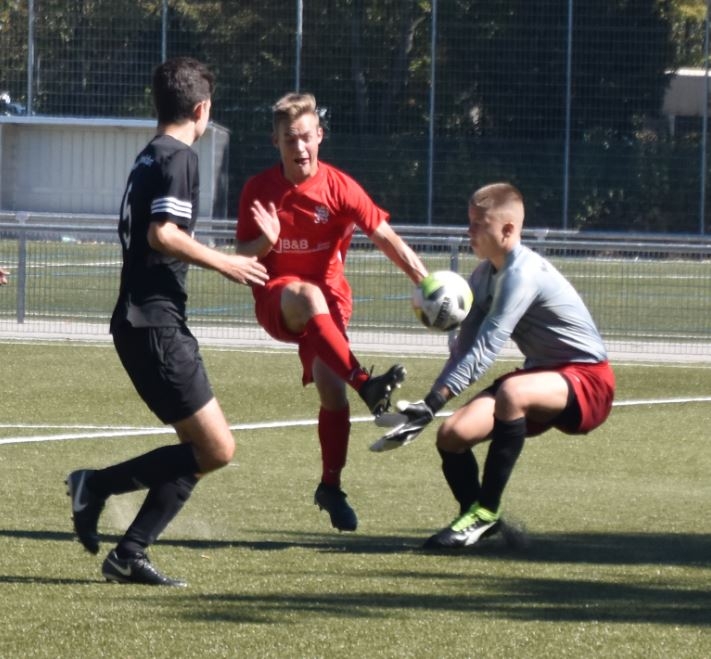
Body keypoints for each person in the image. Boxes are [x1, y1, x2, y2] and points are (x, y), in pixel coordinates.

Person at [66, 57, 268, 586]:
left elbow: (164, 240)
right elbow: (164, 234)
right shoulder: (180, 156)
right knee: (216, 449)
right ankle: (95, 486)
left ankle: (128, 555)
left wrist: (250, 251)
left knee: (197, 451)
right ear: (202, 109)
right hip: (153, 323)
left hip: (146, 321)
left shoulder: (150, 155)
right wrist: (226, 263)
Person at [374, 182, 615, 549]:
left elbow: (486, 349)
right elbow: (463, 351)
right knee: (451, 436)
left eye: (478, 224)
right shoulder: (482, 277)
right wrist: (428, 407)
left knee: (512, 393)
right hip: (542, 377)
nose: (468, 231)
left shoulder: (522, 274)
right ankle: (477, 519)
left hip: (589, 380)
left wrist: (435, 401)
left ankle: (486, 511)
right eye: (469, 221)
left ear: (507, 230)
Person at [235, 92, 429, 532]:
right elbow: (242, 258)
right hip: (278, 298)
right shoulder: (258, 191)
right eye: (290, 139)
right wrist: (265, 242)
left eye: (306, 137)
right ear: (276, 142)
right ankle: (366, 384)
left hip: (332, 301)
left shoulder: (340, 187)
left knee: (332, 393)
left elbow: (384, 236)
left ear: (320, 136)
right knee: (307, 296)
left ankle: (331, 487)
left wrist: (425, 281)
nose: (299, 147)